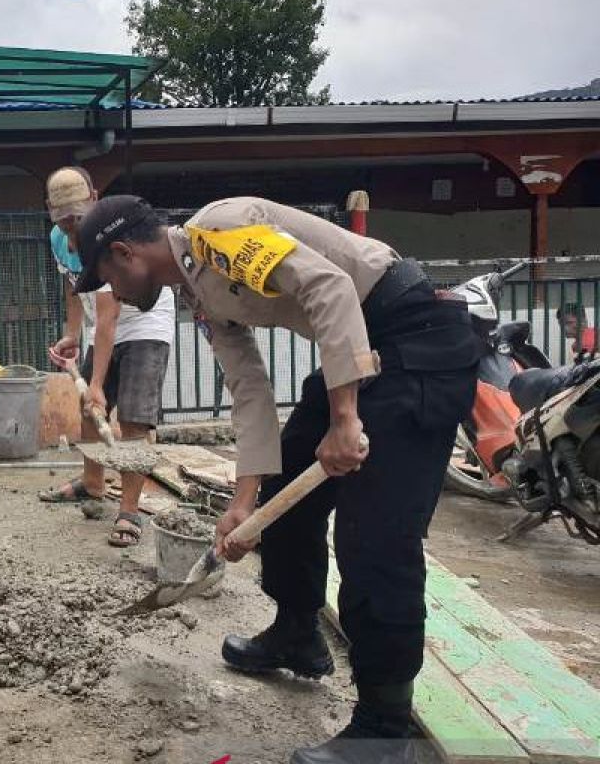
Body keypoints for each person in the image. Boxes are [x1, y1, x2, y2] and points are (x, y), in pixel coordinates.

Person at [72, 195, 479, 764]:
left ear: (124, 252)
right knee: (282, 498)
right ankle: (297, 634)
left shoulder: (218, 233)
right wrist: (244, 504)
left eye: (107, 276)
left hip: (418, 337)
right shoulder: (199, 290)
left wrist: (344, 418)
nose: (111, 292)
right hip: (372, 343)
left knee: (374, 541)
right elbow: (248, 390)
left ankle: (386, 732)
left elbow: (331, 289)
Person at [38, 167, 176, 548]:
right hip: (103, 329)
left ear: (94, 199)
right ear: (51, 211)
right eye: (62, 218)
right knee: (88, 411)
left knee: (133, 419)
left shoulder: (102, 236)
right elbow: (73, 286)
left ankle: (129, 510)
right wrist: (71, 332)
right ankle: (93, 483)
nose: (70, 226)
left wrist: (96, 384)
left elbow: (110, 315)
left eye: (76, 217)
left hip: (145, 323)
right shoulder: (58, 238)